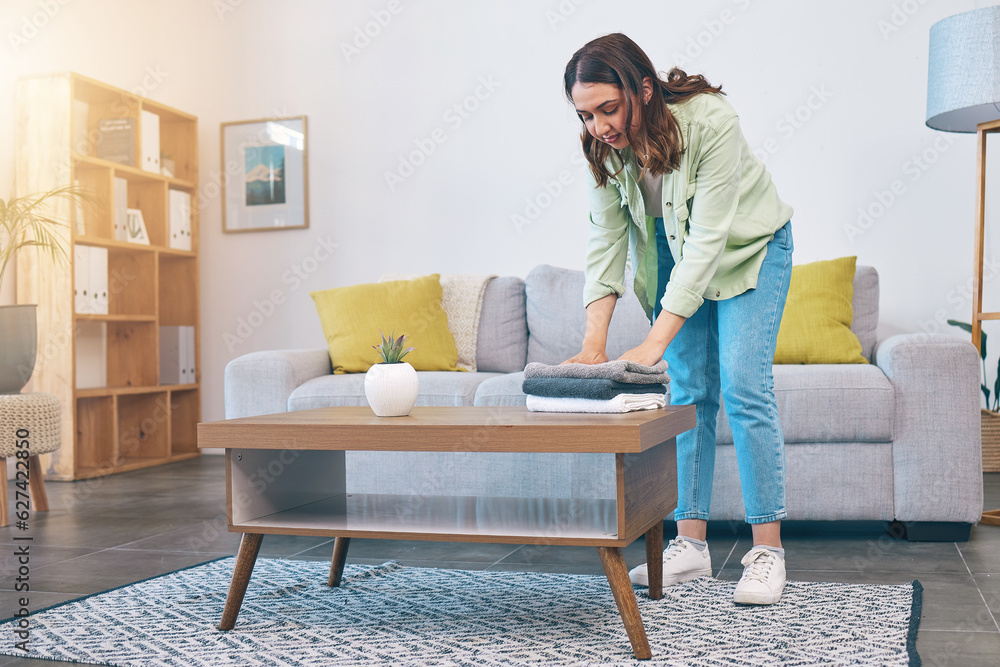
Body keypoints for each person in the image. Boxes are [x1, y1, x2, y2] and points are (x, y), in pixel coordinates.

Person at [563, 33, 794, 605]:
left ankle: (768, 551)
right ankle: (690, 542)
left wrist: (652, 343)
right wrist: (594, 344)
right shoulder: (603, 149)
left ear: (644, 89)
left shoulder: (710, 121)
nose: (598, 127)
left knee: (743, 387)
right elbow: (606, 241)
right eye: (585, 115)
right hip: (674, 250)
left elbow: (710, 241)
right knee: (688, 393)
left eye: (608, 110)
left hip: (749, 249)